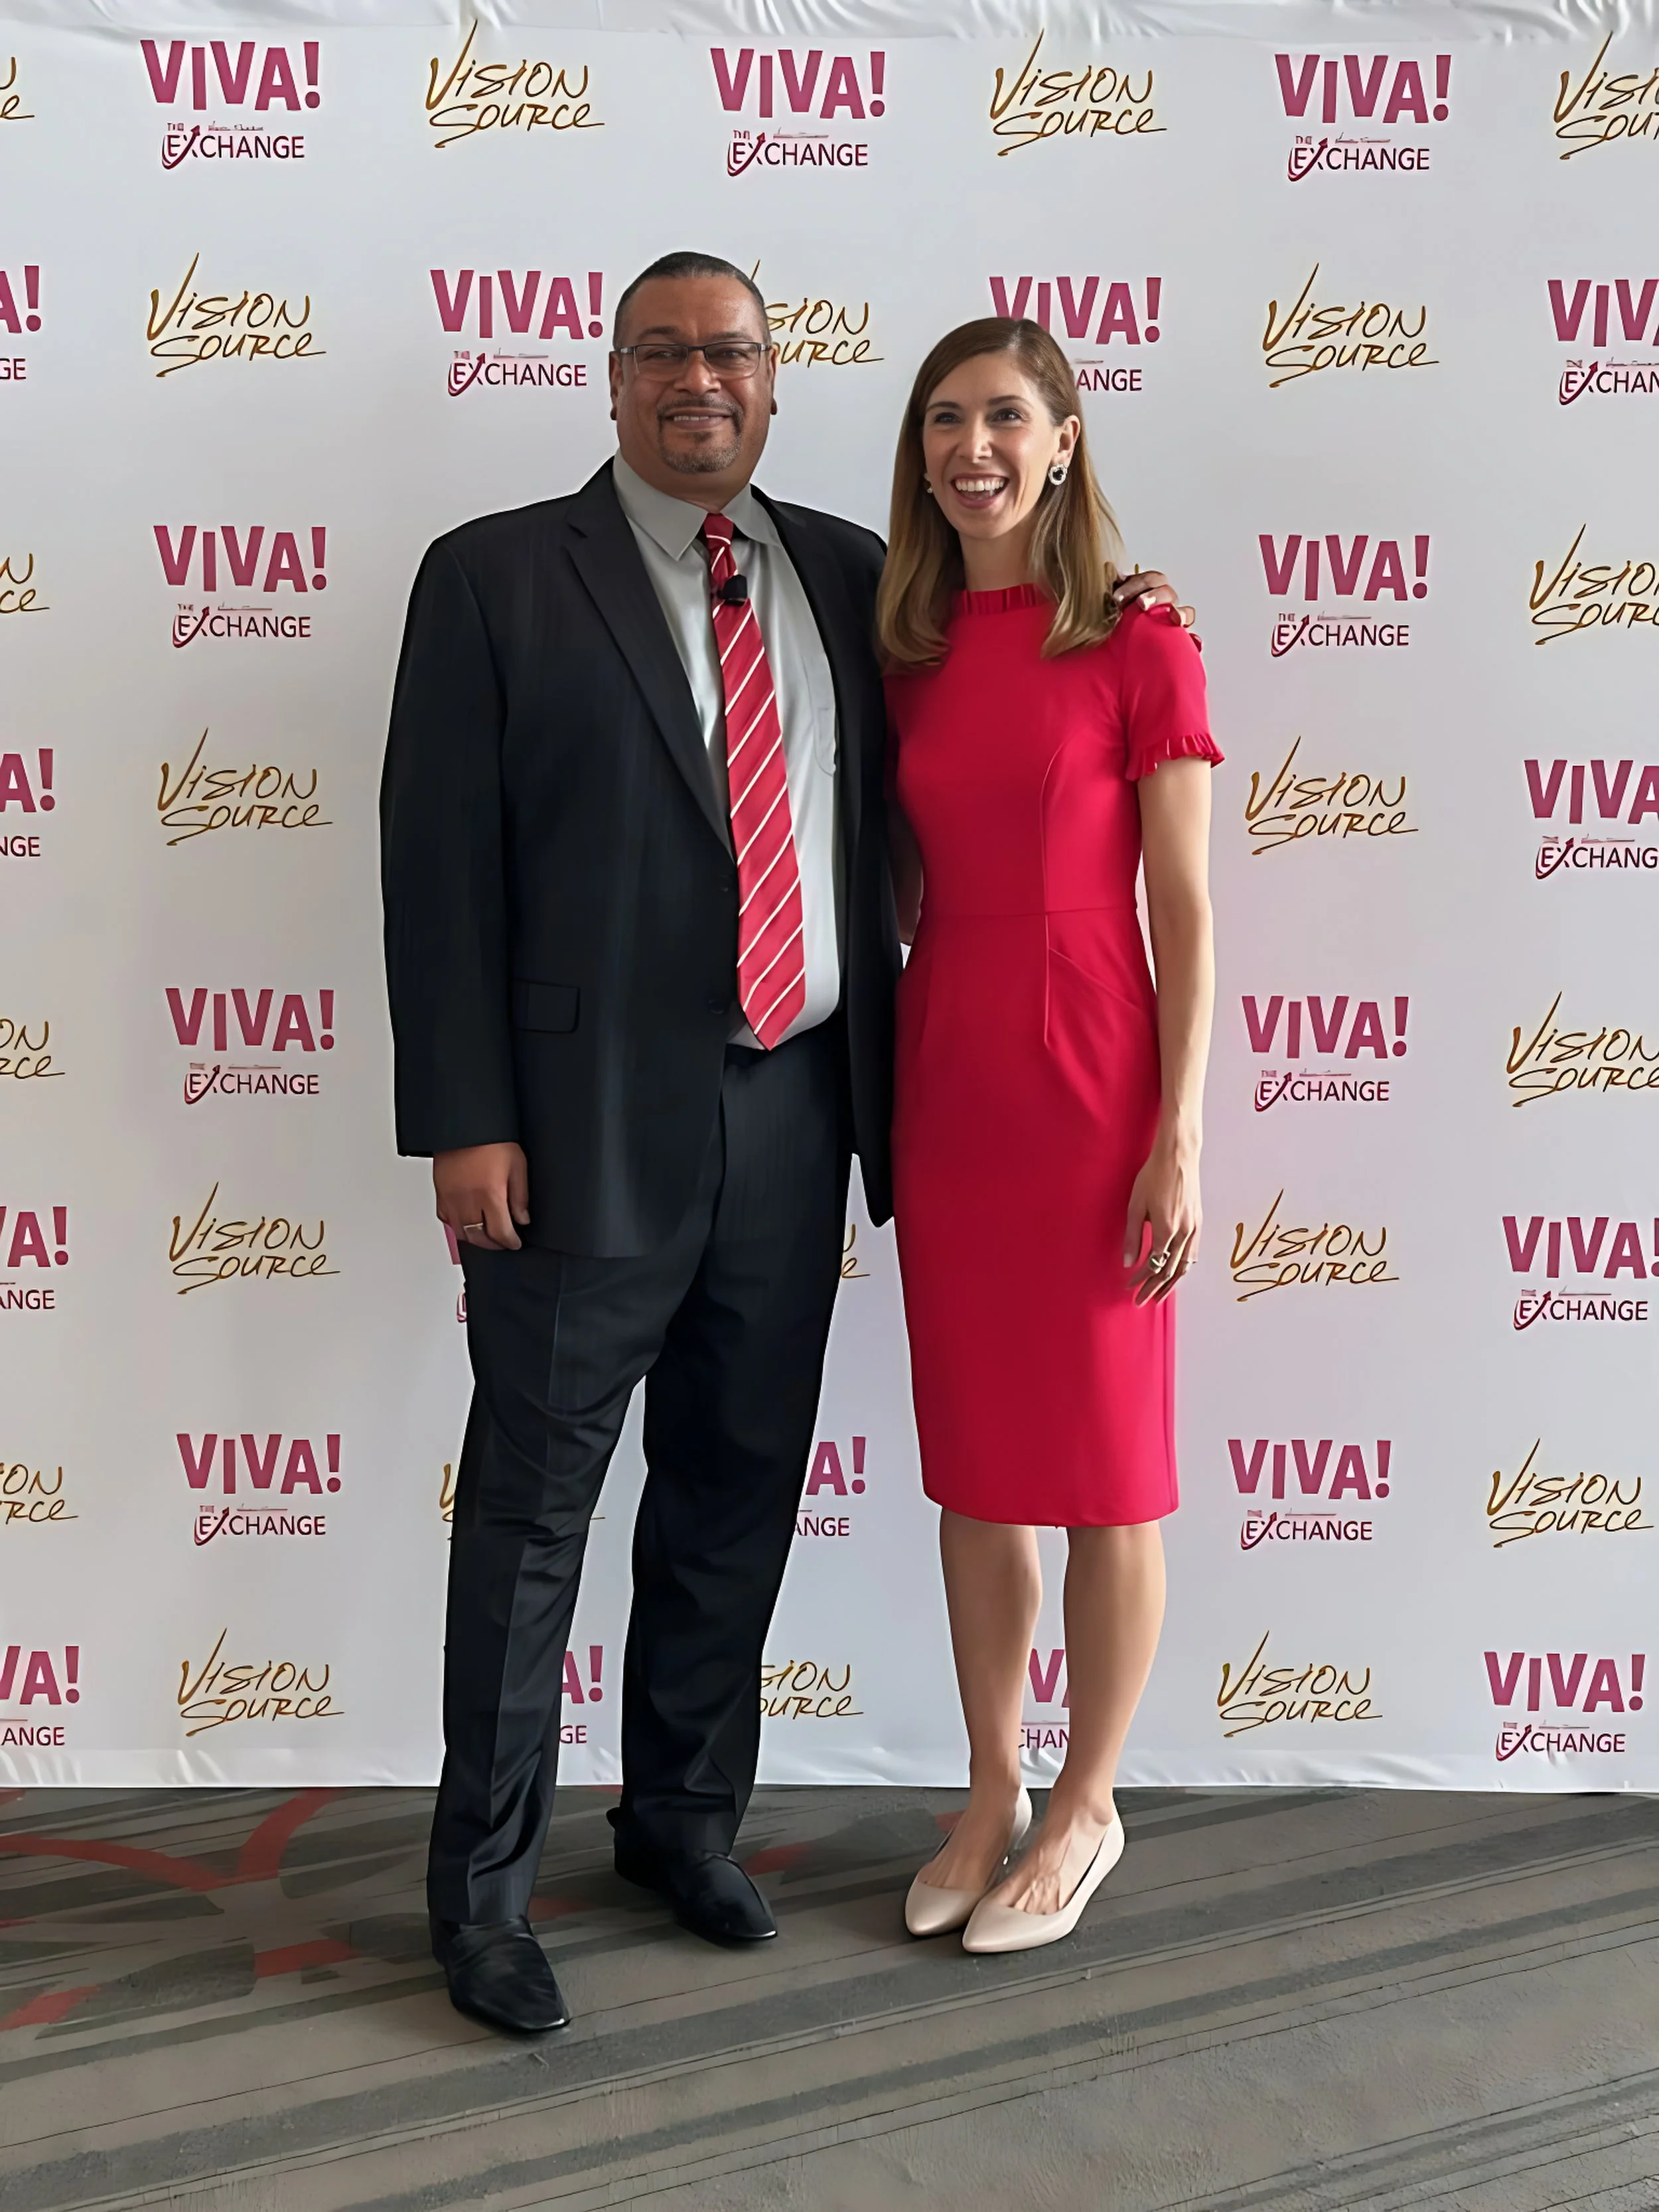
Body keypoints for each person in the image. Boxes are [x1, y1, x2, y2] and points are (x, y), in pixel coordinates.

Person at [381, 254, 1191, 2035]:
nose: (700, 378)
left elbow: (1030, 668)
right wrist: (464, 1120)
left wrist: (1127, 592)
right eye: (662, 352)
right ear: (611, 380)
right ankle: (482, 1899)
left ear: (771, 380)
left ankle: (679, 1824)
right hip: (569, 1141)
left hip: (799, 1113)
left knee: (733, 1492)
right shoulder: (494, 575)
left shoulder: (853, 574)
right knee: (529, 1519)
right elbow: (435, 867)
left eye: (731, 352)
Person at [879, 318, 1218, 1954]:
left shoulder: (1143, 644)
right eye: (945, 420)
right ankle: (987, 1785)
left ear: (1065, 438)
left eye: (1006, 416)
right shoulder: (904, 647)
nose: (974, 449)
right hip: (949, 1075)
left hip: (1094, 1079)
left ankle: (1088, 1800)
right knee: (977, 1468)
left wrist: (1179, 1134)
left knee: (1103, 1467)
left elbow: (1185, 906)